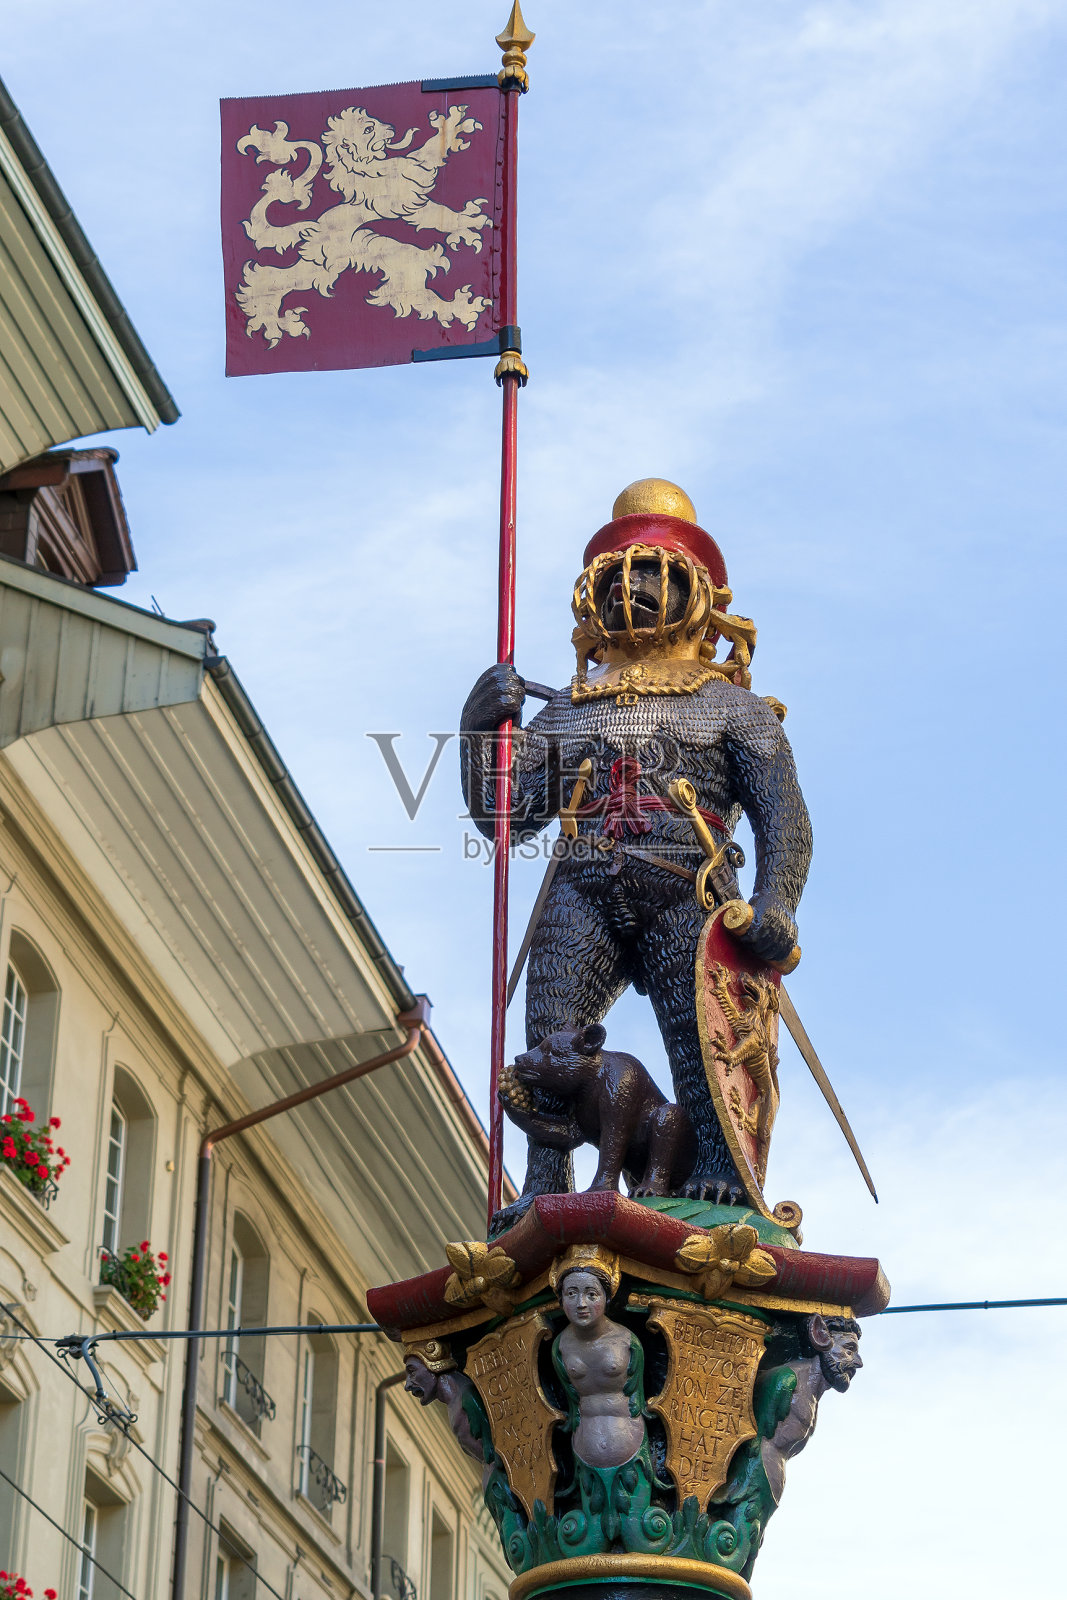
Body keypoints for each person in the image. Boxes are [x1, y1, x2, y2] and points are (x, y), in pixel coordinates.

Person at [462, 479, 812, 1219]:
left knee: (703, 1034)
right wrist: (477, 725)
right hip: (582, 880)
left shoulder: (732, 706)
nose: (638, 587)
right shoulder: (565, 709)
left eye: (657, 573)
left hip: (686, 882)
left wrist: (776, 902)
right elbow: (505, 816)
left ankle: (717, 1165)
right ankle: (545, 1180)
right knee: (550, 1040)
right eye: (626, 573)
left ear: (697, 595)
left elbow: (784, 818)